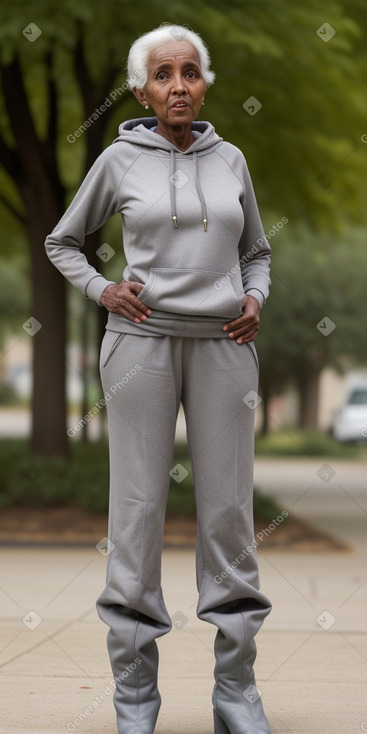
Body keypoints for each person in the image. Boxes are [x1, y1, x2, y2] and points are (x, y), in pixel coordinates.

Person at [45, 23, 273, 734]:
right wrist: (103, 290)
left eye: (190, 73)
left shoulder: (230, 159)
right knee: (137, 516)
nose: (178, 86)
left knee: (230, 518)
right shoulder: (118, 159)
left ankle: (235, 693)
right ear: (142, 88)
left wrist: (255, 298)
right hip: (139, 346)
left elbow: (257, 252)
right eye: (163, 74)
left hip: (222, 349)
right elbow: (62, 241)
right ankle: (135, 699)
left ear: (203, 84)